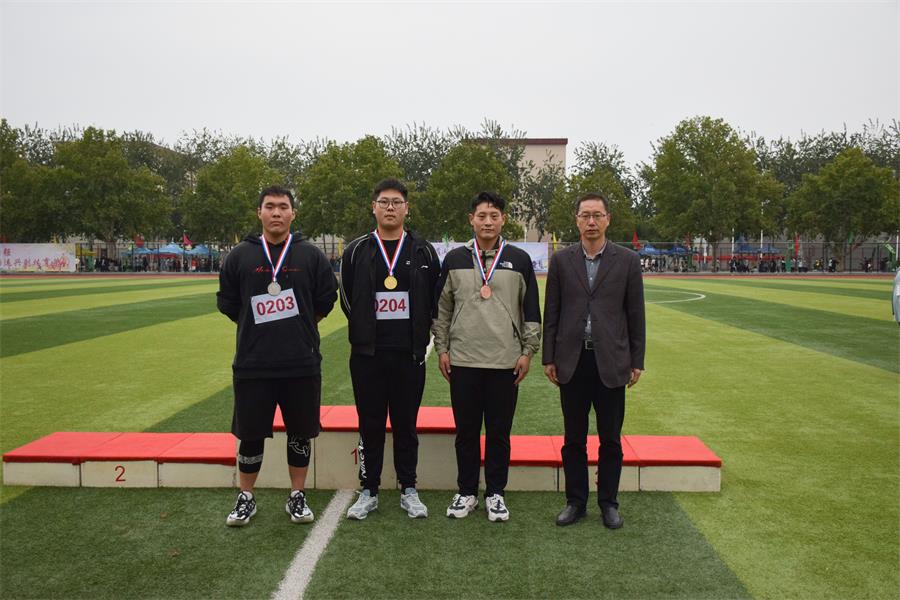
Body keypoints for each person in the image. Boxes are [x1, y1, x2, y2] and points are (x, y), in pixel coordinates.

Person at [216, 185, 337, 527]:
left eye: (283, 207)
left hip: (301, 362)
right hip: (253, 364)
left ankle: (297, 494)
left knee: (300, 433)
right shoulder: (240, 255)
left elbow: (326, 300)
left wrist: (299, 326)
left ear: (293, 213)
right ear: (259, 213)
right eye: (270, 206)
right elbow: (229, 304)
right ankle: (246, 496)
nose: (277, 213)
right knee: (251, 434)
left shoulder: (310, 255)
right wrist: (258, 327)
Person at [432, 191, 541, 522]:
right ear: (472, 220)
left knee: (498, 433)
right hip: (463, 360)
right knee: (466, 433)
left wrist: (528, 351)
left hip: (505, 362)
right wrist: (442, 348)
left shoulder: (519, 259)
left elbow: (531, 310)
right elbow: (442, 309)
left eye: (494, 216)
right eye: (482, 216)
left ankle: (495, 493)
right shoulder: (454, 259)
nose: (488, 222)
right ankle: (466, 492)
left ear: (503, 220)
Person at [542, 192, 645, 529]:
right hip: (572, 360)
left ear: (607, 219)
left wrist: (637, 360)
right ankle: (576, 502)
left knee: (610, 439)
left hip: (611, 361)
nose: (591, 222)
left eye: (597, 215)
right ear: (576, 220)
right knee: (573, 438)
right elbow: (552, 312)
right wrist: (548, 356)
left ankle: (608, 503)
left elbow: (635, 314)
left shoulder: (627, 261)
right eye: (585, 215)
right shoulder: (562, 260)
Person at [339, 178, 441, 520]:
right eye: (384, 202)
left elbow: (434, 298)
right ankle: (368, 490)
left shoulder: (424, 251)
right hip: (367, 355)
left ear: (406, 208)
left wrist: (419, 333)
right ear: (374, 207)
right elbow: (347, 298)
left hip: (409, 354)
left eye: (397, 202)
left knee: (405, 425)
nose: (390, 208)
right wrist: (365, 329)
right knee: (369, 424)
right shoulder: (356, 250)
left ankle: (408, 488)